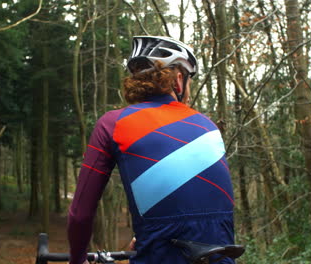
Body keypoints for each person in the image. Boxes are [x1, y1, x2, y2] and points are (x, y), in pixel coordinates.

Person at [67, 36, 235, 264]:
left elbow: (80, 215)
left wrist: (77, 258)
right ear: (178, 80)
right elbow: (200, 207)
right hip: (219, 254)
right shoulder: (208, 126)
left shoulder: (113, 123)